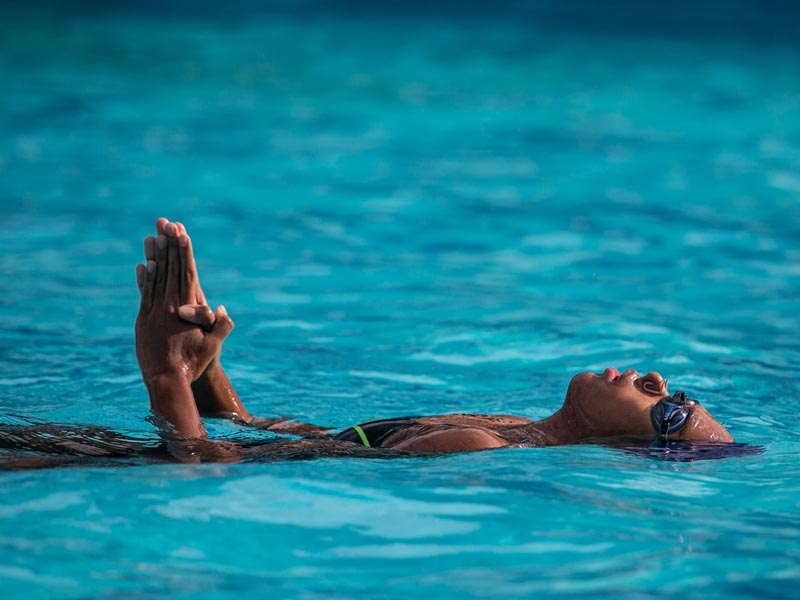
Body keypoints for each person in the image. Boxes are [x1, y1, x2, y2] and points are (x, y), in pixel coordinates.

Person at [0, 218, 739, 469]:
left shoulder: (479, 447)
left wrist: (165, 376)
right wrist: (208, 371)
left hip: (131, 466)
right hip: (165, 451)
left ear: (633, 449)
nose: (654, 379)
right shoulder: (512, 425)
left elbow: (205, 468)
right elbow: (270, 438)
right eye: (673, 386)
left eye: (670, 410)